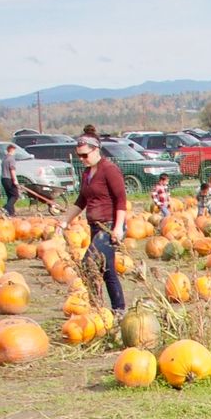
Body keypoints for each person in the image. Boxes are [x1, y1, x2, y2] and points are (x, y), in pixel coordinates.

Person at [75, 129, 127, 318]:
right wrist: (64, 221)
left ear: (96, 150)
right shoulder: (87, 173)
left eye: (84, 155)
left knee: (88, 262)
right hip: (95, 227)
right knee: (107, 270)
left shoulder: (109, 169)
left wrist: (118, 228)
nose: (81, 159)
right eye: (78, 156)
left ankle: (97, 308)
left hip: (110, 225)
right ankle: (118, 309)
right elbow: (81, 201)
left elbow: (121, 199)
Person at [0, 139, 21, 216]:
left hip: (3, 179)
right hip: (9, 179)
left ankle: (11, 213)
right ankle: (6, 207)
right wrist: (15, 181)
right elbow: (12, 170)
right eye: (14, 151)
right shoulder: (11, 159)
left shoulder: (4, 159)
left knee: (10, 196)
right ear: (12, 150)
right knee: (15, 195)